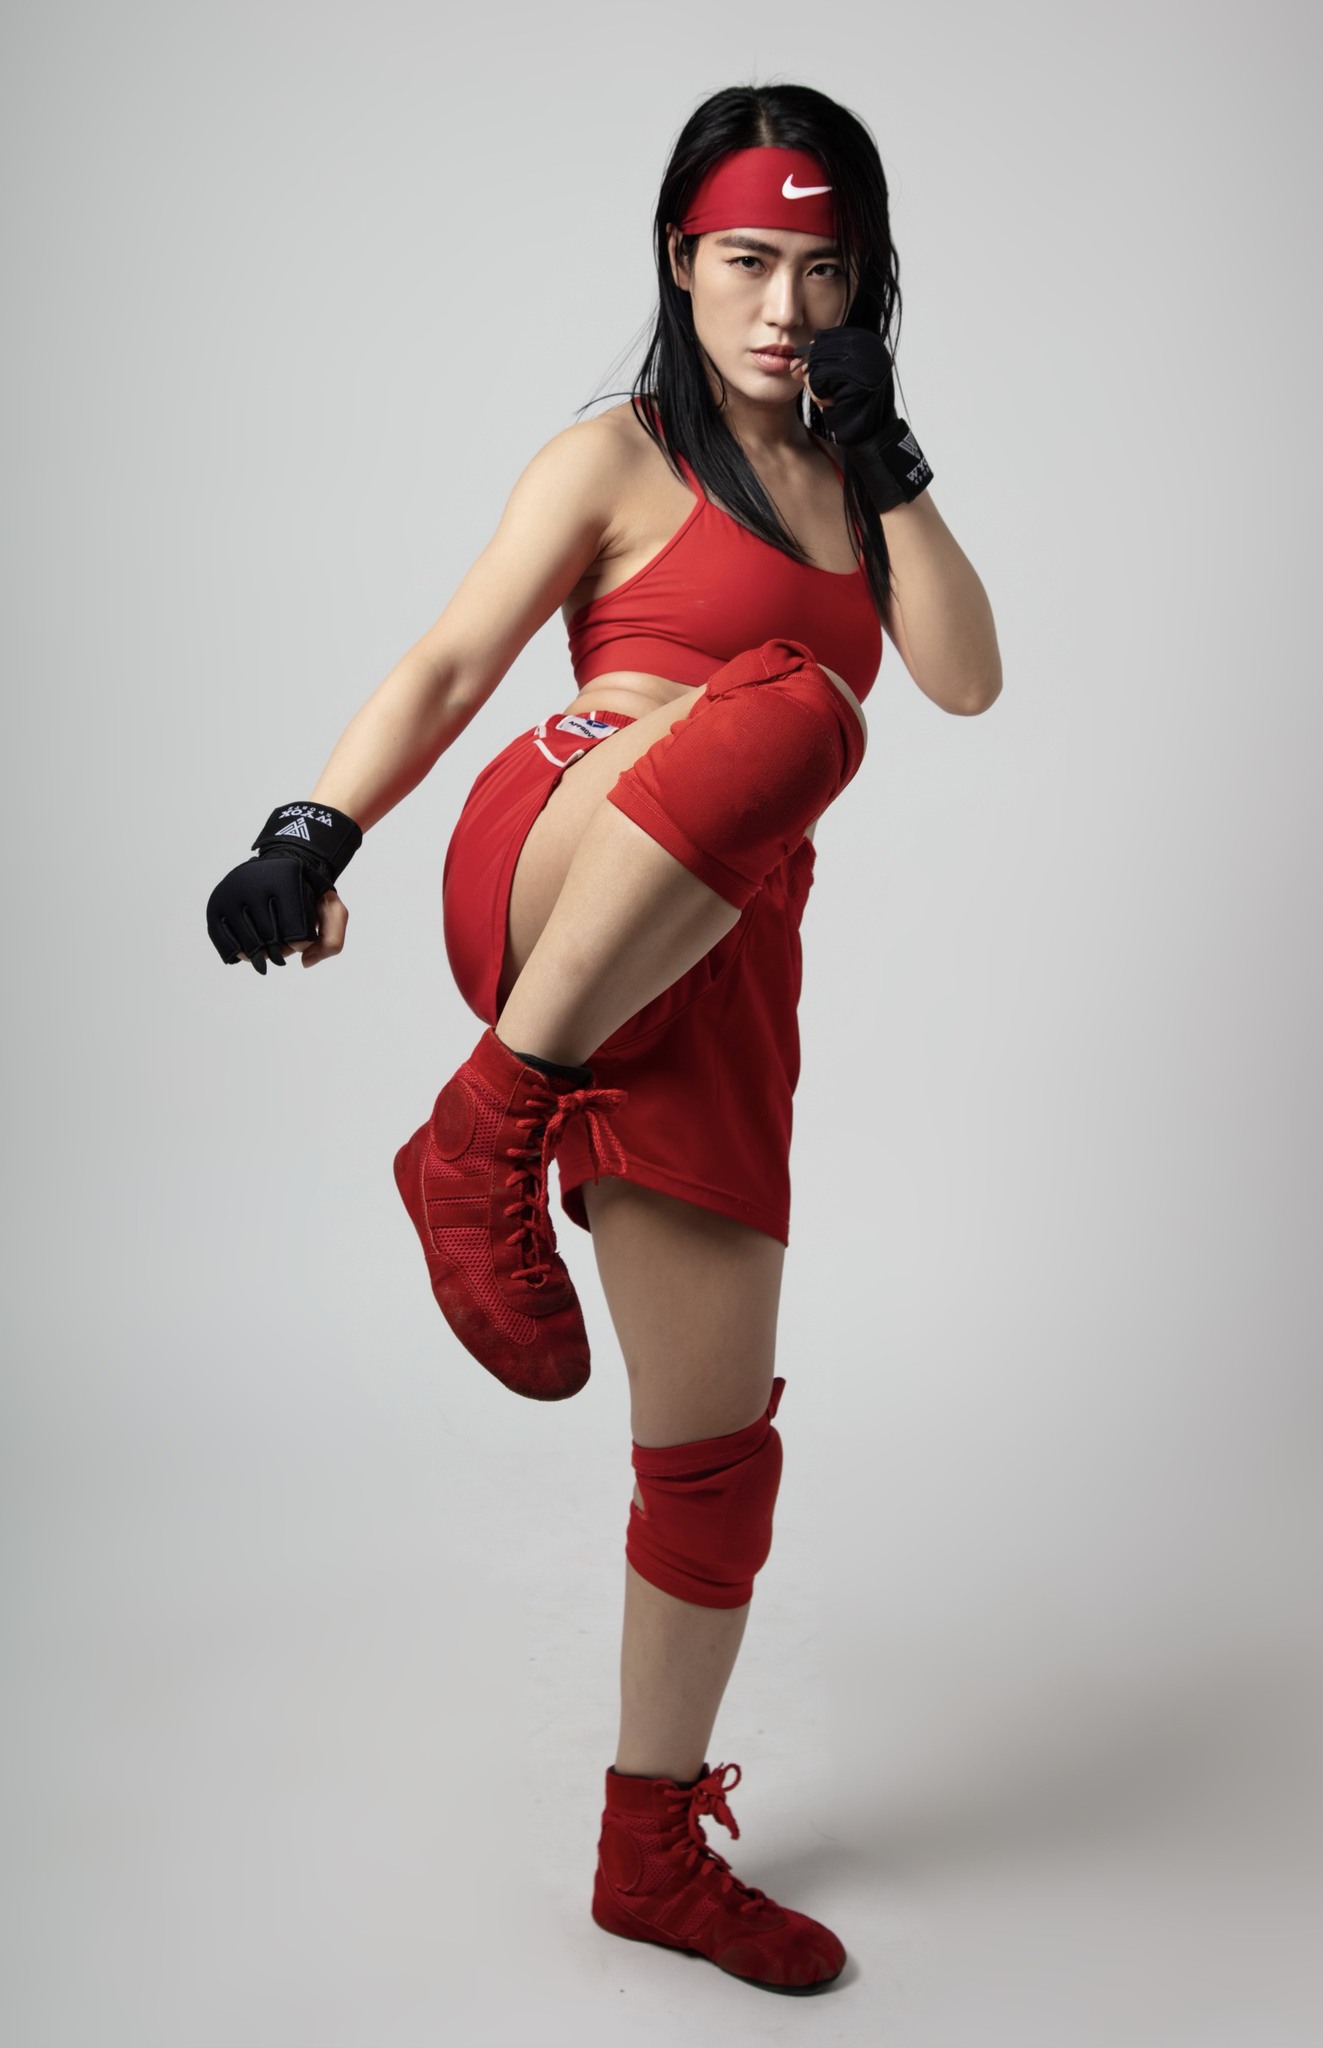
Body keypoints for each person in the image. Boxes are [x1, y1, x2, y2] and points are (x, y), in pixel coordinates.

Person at [205, 81, 1000, 1996]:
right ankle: (480, 1123)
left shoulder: (857, 484)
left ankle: (651, 1854)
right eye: (748, 260)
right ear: (679, 258)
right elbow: (449, 661)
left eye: (825, 269)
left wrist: (890, 460)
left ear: (868, 282)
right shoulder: (618, 454)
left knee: (714, 1464)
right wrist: (311, 832)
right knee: (798, 706)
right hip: (560, 852)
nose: (785, 307)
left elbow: (968, 677)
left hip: (704, 967)